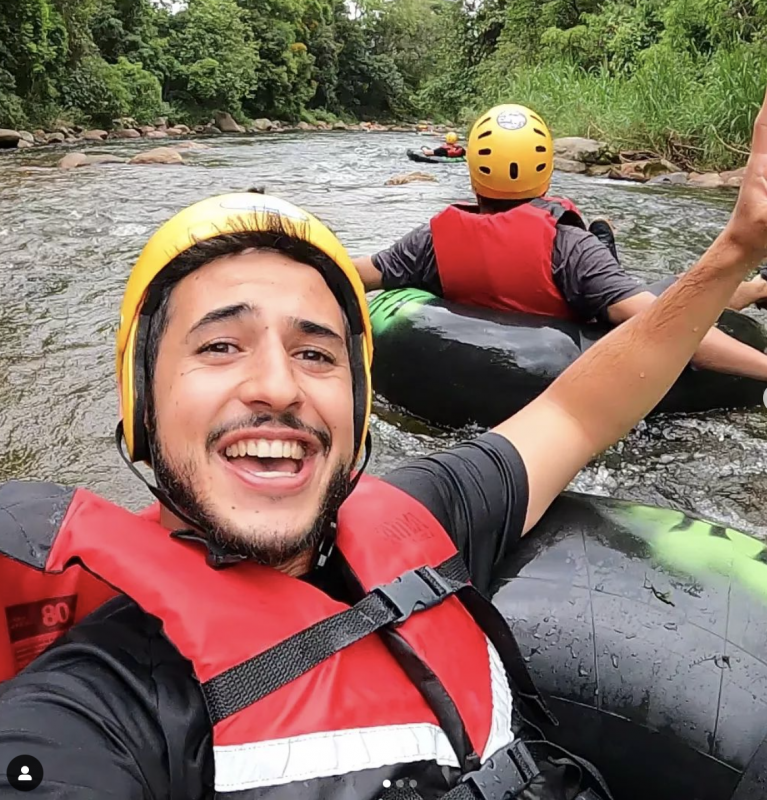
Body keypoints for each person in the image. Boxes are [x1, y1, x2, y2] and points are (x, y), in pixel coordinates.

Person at [2, 83, 767, 797]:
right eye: (220, 347)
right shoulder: (97, 710)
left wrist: (734, 248)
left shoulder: (420, 515)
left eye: (315, 353)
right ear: (141, 395)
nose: (277, 385)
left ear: (359, 399)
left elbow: (576, 410)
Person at [355, 103, 767, 383]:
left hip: (592, 301)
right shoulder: (569, 248)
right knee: (667, 289)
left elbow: (354, 273)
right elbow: (672, 326)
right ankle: (606, 236)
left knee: (670, 290)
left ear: (473, 168)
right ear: (546, 171)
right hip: (588, 285)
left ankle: (756, 289)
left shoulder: (429, 241)